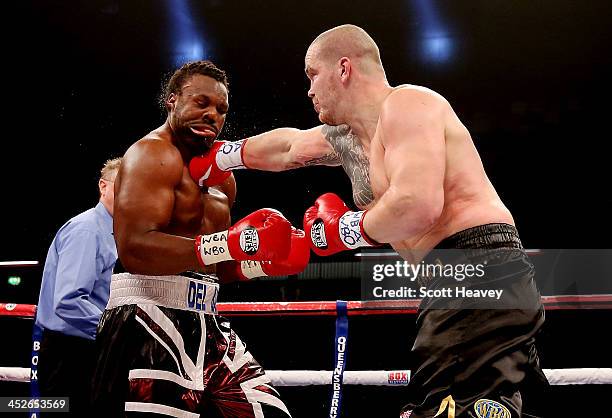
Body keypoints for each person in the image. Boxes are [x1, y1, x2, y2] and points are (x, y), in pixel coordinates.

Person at [189, 25, 547, 417]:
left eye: (312, 75)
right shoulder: (350, 138)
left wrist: (347, 229)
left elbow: (417, 204)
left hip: (472, 269)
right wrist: (221, 157)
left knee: (444, 408)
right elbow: (289, 147)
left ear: (344, 68)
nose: (308, 89)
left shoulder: (409, 104)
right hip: (464, 280)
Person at [91, 60, 308, 417]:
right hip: (147, 318)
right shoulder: (151, 155)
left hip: (206, 320)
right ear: (172, 100)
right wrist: (228, 245)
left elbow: (213, 265)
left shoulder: (223, 177)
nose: (212, 115)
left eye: (221, 109)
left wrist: (259, 265)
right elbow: (134, 249)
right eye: (201, 103)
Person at [35, 157, 122, 415]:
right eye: (122, 185)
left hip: (89, 347)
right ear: (103, 186)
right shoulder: (87, 230)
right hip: (70, 353)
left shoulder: (117, 232)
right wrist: (117, 330)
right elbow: (69, 300)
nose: (129, 192)